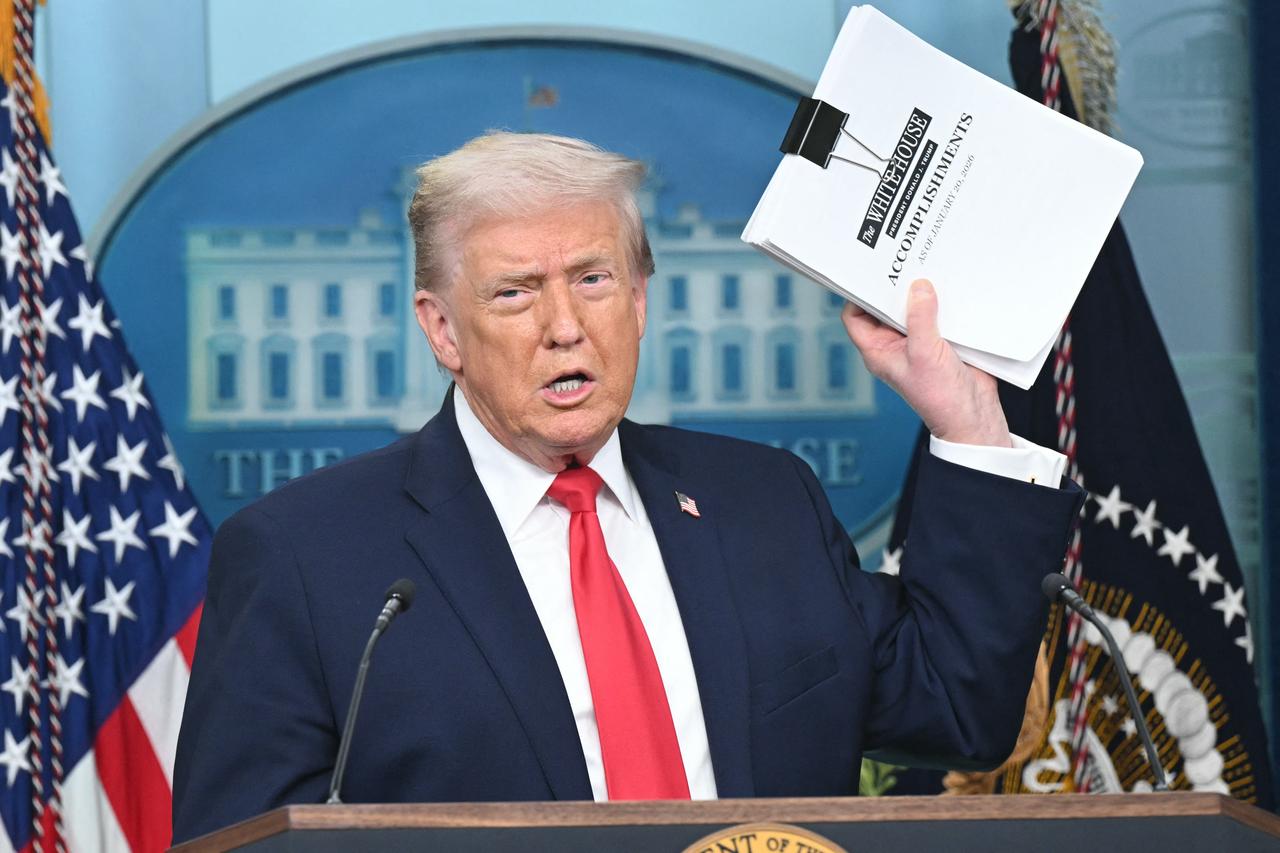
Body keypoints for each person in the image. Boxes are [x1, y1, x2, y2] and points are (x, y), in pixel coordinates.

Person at [171, 132, 1081, 842]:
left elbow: (956, 709)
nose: (566, 326)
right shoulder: (305, 556)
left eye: (594, 279)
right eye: (517, 293)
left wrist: (969, 424)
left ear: (640, 301)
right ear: (442, 330)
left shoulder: (764, 502)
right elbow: (242, 839)